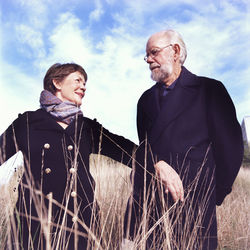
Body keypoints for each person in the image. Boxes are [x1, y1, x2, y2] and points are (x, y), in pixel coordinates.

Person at [124, 30, 243, 249]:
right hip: (151, 207)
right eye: (147, 55)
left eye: (154, 52)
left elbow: (231, 149)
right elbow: (145, 148)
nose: (149, 60)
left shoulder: (210, 90)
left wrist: (210, 195)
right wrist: (156, 165)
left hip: (195, 208)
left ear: (175, 51)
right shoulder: (145, 100)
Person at [0, 63, 136, 249]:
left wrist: (159, 163)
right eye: (78, 80)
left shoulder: (87, 127)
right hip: (35, 223)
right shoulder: (28, 122)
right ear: (57, 82)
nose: (84, 86)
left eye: (85, 82)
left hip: (81, 224)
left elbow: (126, 150)